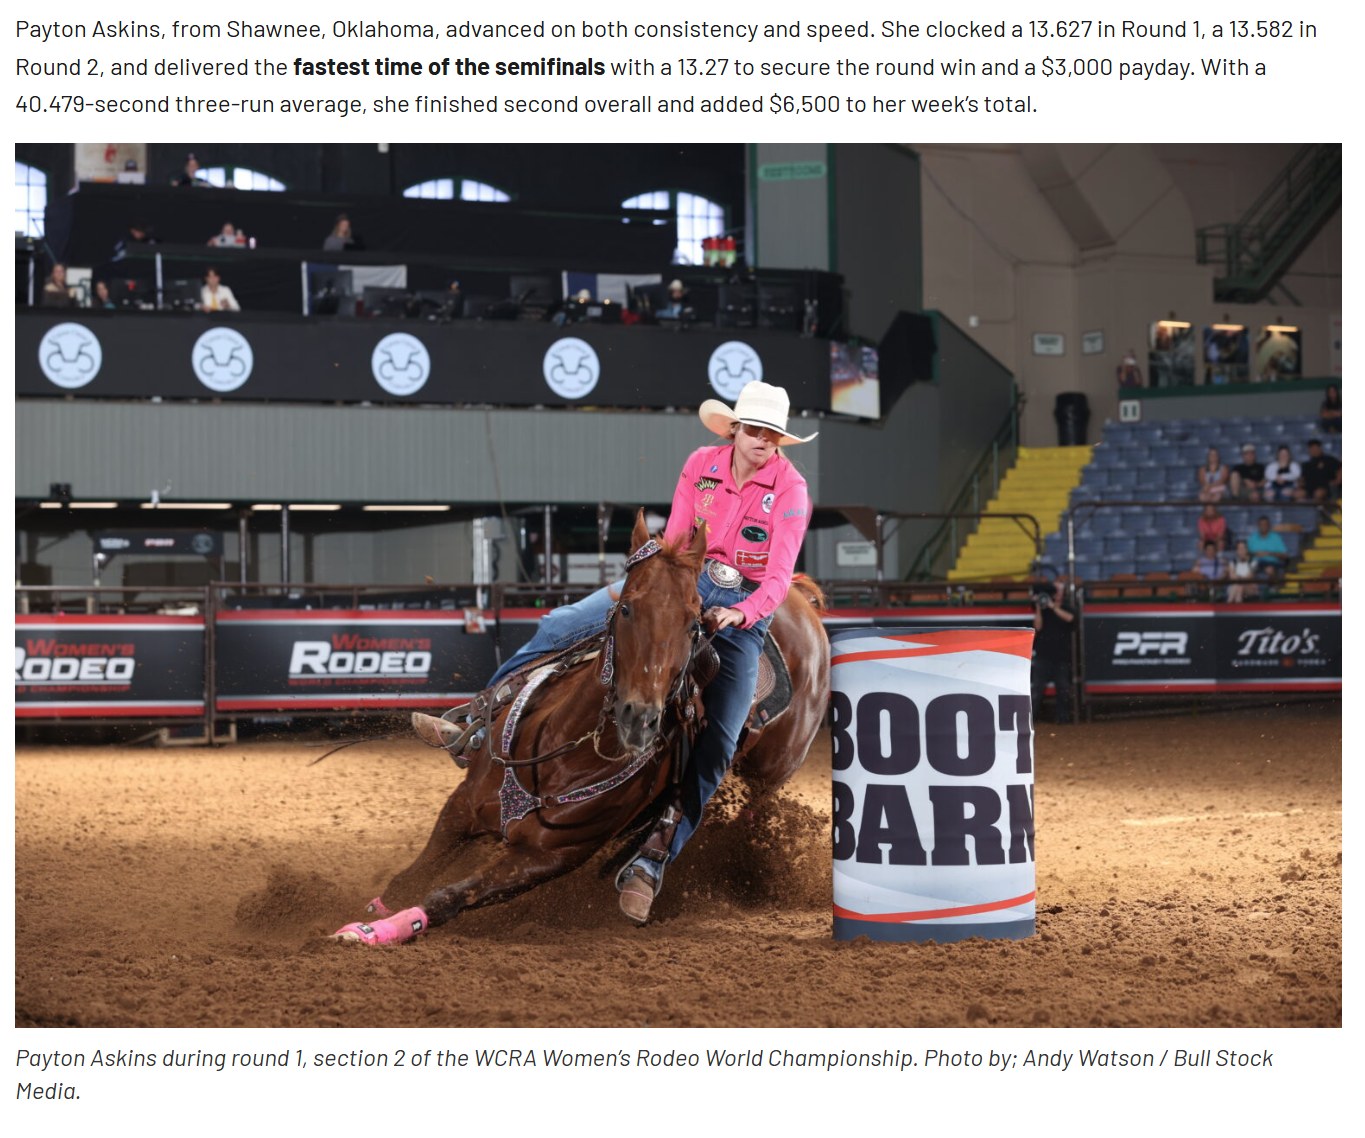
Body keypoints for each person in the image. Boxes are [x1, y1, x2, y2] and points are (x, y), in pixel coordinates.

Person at [421, 381, 816, 925]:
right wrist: (650, 575)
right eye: (754, 431)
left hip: (742, 610)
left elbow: (775, 578)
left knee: (721, 739)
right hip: (679, 581)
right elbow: (677, 535)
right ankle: (477, 721)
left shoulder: (791, 492)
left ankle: (653, 860)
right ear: (734, 429)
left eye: (772, 436)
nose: (762, 442)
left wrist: (739, 615)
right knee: (560, 624)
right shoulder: (701, 464)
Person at [1030, 578, 1076, 725]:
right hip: (1043, 656)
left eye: (1060, 591)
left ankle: (1063, 719)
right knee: (1036, 690)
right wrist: (1039, 606)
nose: (1058, 594)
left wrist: (1052, 606)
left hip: (1061, 657)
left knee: (1063, 689)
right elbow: (1037, 627)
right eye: (1055, 591)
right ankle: (1029, 720)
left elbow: (1070, 619)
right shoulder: (1044, 610)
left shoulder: (1068, 608)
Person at [1246, 516, 1289, 584]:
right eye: (1261, 525)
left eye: (1265, 524)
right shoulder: (1252, 538)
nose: (1263, 526)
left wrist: (1269, 553)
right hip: (1256, 563)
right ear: (1258, 526)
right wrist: (1255, 554)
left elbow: (1285, 555)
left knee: (1269, 570)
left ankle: (1272, 589)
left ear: (1269, 526)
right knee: (1248, 572)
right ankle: (1252, 592)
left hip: (1271, 563)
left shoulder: (1276, 538)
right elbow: (1247, 554)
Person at [1299, 438, 1342, 503]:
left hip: (1326, 488)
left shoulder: (1329, 460)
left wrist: (1337, 481)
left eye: (1315, 448)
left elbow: (1340, 468)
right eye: (1311, 448)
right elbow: (1302, 479)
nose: (1313, 450)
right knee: (1297, 494)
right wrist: (1300, 484)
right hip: (1309, 488)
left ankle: (1318, 511)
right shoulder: (1306, 464)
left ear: (1320, 448)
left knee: (1318, 493)